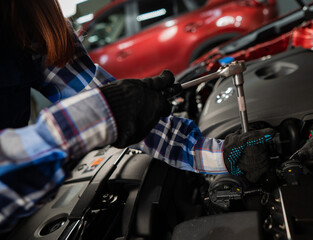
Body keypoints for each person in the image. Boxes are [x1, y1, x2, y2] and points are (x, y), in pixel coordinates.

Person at [0, 0, 276, 233]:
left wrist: (220, 155)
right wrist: (94, 118)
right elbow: (104, 112)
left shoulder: (28, 15)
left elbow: (100, 99)